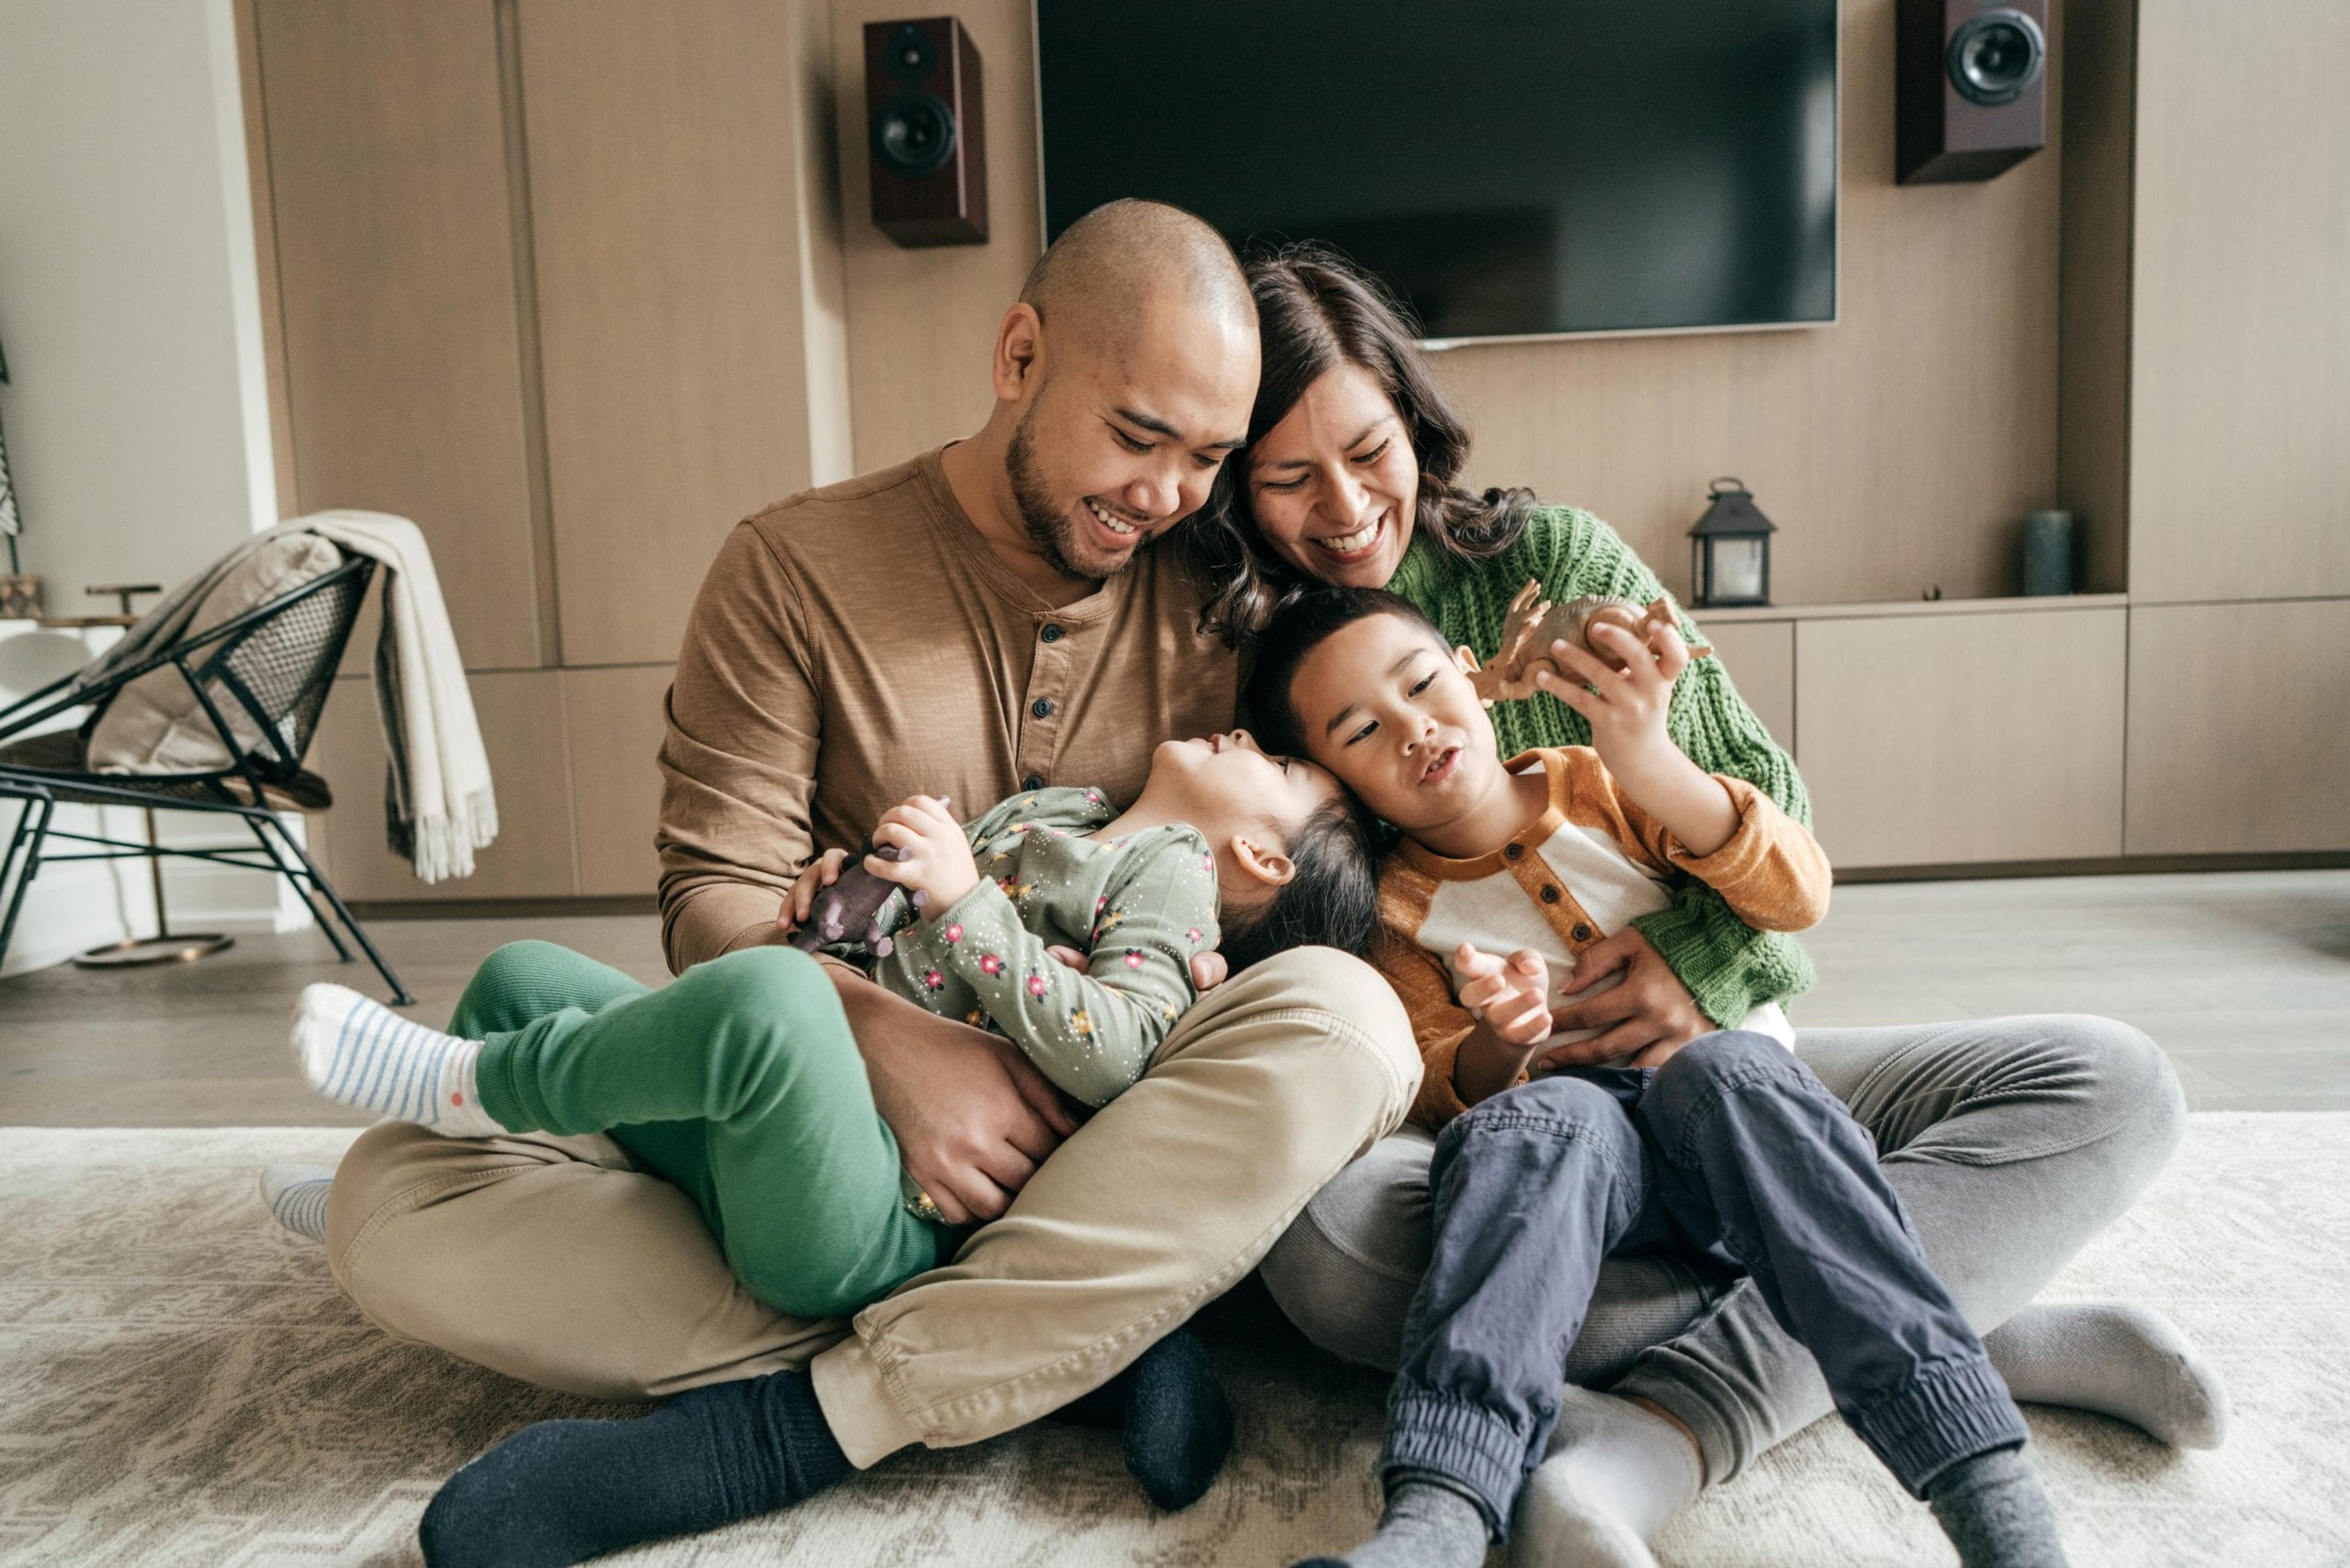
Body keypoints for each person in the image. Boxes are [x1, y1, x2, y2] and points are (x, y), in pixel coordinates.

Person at [287, 203, 1423, 1566]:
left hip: (1092, 1155)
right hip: (837, 1148)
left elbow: (1366, 781)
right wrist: (883, 1040)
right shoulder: (792, 570)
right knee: (394, 1199)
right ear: (1018, 356)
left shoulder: (1220, 588)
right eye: (1136, 439)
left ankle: (812, 1418)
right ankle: (1086, 1342)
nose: (1172, 496)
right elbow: (712, 894)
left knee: (1349, 1022)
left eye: (1210, 460)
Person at [1187, 244, 2221, 1564]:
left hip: (1730, 1065)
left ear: (1416, 420)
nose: (1345, 507)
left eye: (1372, 450)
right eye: (1290, 477)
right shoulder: (1240, 664)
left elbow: (1778, 837)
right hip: (1542, 1123)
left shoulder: (1556, 597)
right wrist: (1496, 1046)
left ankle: (1661, 1434)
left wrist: (1684, 955)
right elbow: (1369, 988)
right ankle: (1974, 1323)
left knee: (2112, 1084)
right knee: (1335, 1249)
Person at [1252, 587, 2068, 1568]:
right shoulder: (1393, 915)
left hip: (1740, 1132)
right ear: (1342, 785)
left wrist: (1655, 760)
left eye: (1423, 685)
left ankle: (1993, 1501)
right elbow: (1431, 1078)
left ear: (1470, 673)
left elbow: (1797, 890)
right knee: (1537, 1121)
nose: (1416, 729)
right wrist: (1501, 1044)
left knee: (1727, 1071)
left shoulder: (1604, 784)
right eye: (1363, 731)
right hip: (1588, 1186)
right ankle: (1435, 1524)